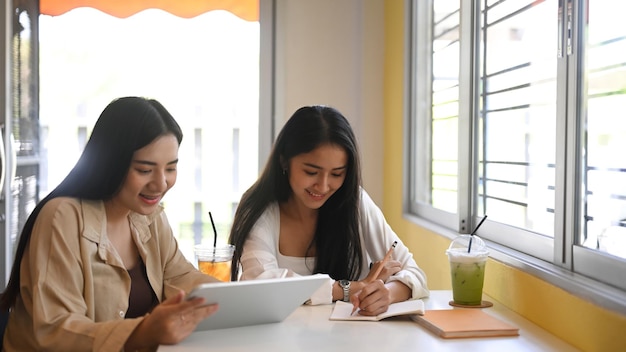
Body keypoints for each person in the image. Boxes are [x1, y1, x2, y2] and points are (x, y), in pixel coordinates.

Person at [0, 97, 219, 351]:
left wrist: (233, 299)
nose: (161, 184)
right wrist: (143, 331)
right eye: (145, 170)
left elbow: (180, 276)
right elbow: (55, 330)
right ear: (111, 164)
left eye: (170, 168)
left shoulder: (148, 216)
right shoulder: (62, 218)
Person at [228, 105, 429, 316]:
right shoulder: (259, 207)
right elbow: (260, 283)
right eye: (311, 172)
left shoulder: (355, 202)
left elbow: (415, 273)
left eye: (336, 174)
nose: (323, 186)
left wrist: (386, 293)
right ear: (284, 160)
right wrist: (349, 288)